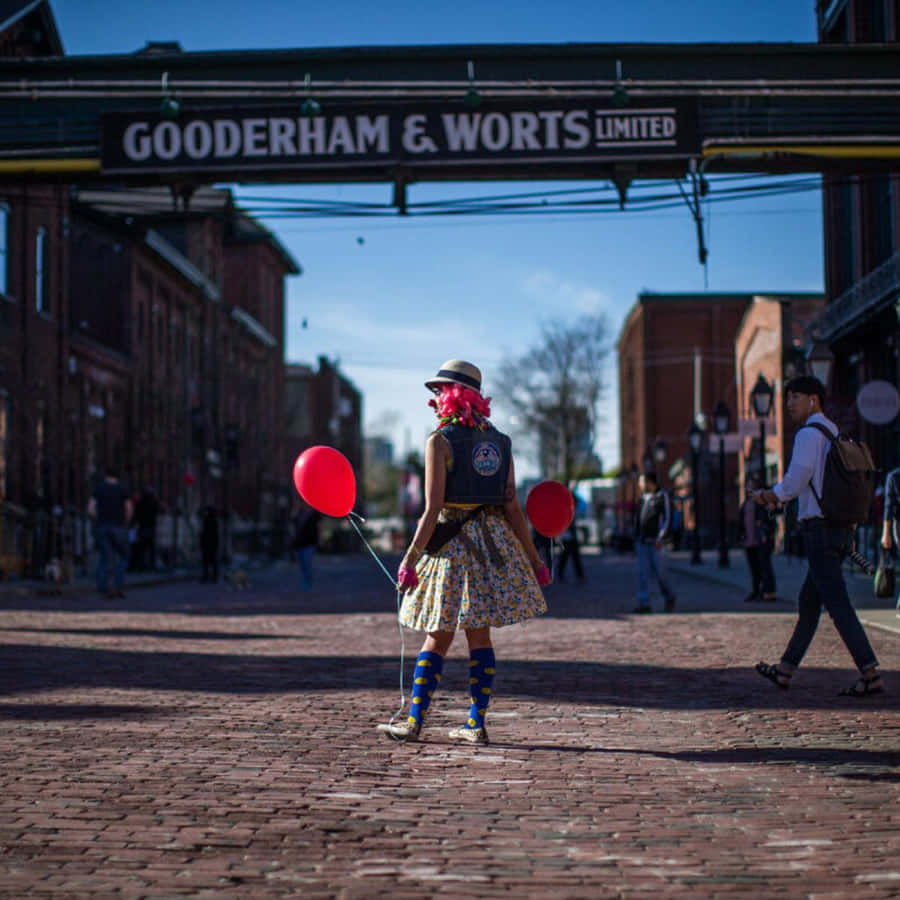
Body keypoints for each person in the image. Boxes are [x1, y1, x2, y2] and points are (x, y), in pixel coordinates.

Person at [377, 359, 550, 745]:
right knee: (479, 636)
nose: (433, 400)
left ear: (452, 396)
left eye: (438, 392)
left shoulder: (439, 442)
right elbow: (511, 506)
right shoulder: (501, 442)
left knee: (436, 635)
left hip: (453, 548)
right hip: (493, 545)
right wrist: (535, 560)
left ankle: (415, 721)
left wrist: (410, 559)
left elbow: (433, 507)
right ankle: (475, 723)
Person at [752, 374, 883, 696]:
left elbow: (798, 478)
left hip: (820, 530)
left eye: (795, 397)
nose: (789, 404)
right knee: (809, 602)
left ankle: (870, 672)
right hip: (838, 528)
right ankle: (785, 670)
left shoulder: (809, 434)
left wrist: (771, 495)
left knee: (837, 604)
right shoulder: (832, 431)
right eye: (789, 398)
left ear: (814, 400)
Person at [632, 470, 676, 613]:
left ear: (650, 483)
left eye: (641, 481)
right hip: (642, 542)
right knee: (642, 574)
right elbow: (638, 519)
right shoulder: (643, 498)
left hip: (657, 543)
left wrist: (661, 538)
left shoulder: (662, 496)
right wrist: (636, 536)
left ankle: (669, 596)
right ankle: (644, 603)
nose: (639, 484)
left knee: (660, 574)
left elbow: (668, 518)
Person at [87, 466, 133, 599]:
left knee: (105, 557)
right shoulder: (122, 489)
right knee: (123, 556)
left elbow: (90, 508)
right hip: (119, 526)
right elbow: (128, 507)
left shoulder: (99, 488)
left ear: (105, 475)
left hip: (103, 526)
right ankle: (119, 586)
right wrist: (126, 522)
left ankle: (103, 588)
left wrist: (98, 518)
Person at [737, 474, 777, 603]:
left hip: (761, 539)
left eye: (752, 486)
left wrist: (767, 532)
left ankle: (769, 592)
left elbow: (771, 518)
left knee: (765, 566)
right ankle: (756, 591)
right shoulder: (746, 503)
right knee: (754, 568)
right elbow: (741, 521)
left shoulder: (763, 502)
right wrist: (741, 535)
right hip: (749, 540)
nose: (749, 488)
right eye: (748, 486)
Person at [557, 490, 586, 582]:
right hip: (568, 537)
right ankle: (564, 574)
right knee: (568, 557)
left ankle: (564, 574)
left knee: (568, 557)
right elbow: (568, 524)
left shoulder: (569, 509)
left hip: (568, 537)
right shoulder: (568, 509)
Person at [292, 500, 322, 589]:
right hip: (299, 543)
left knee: (307, 562)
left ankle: (307, 580)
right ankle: (306, 578)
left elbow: (319, 526)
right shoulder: (298, 513)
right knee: (302, 563)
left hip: (310, 542)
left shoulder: (314, 514)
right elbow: (293, 526)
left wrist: (320, 539)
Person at [881, 465, 899, 607]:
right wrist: (886, 533)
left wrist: (885, 533)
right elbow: (888, 507)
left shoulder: (893, 476)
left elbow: (888, 506)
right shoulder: (894, 476)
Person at [133, 486, 160, 571]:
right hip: (150, 527)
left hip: (142, 527)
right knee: (151, 548)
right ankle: (151, 565)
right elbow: (158, 511)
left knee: (141, 548)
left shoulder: (140, 503)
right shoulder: (153, 503)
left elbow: (136, 515)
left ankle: (141, 565)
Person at [200, 505, 220, 583]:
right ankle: (213, 576)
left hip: (208, 544)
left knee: (207, 561)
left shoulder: (208, 520)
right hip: (212, 544)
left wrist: (202, 542)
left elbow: (204, 533)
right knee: (212, 561)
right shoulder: (214, 521)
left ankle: (207, 576)